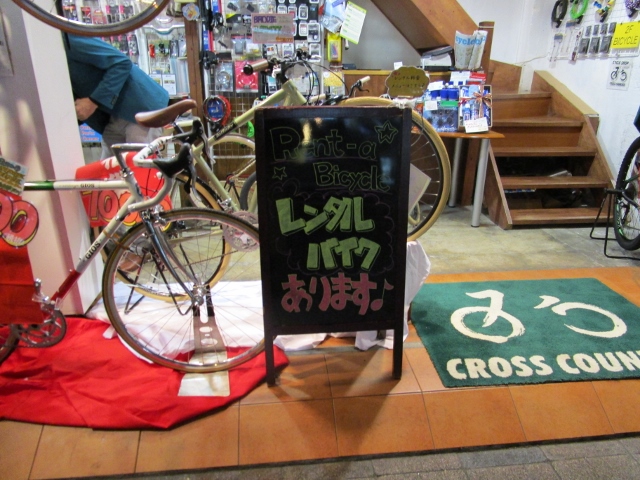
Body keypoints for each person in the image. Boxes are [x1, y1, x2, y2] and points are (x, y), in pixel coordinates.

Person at [63, 33, 170, 158]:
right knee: (109, 168)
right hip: (114, 115)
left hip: (139, 106)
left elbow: (121, 63)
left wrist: (93, 101)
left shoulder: (68, 40)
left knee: (138, 166)